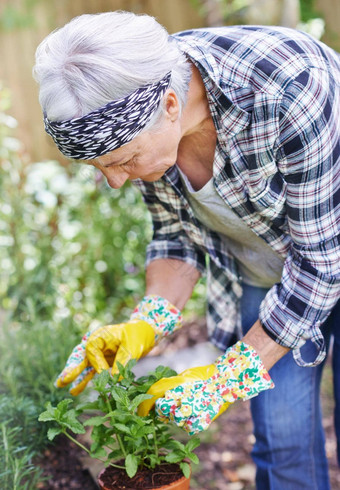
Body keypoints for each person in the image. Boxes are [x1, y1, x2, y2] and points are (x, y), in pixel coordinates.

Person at [33, 11, 340, 489]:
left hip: (323, 255)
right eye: (103, 167)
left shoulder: (289, 89)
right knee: (281, 446)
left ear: (172, 105)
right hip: (270, 275)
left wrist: (226, 378)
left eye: (123, 161)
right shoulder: (139, 91)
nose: (116, 181)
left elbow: (321, 265)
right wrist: (145, 322)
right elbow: (176, 235)